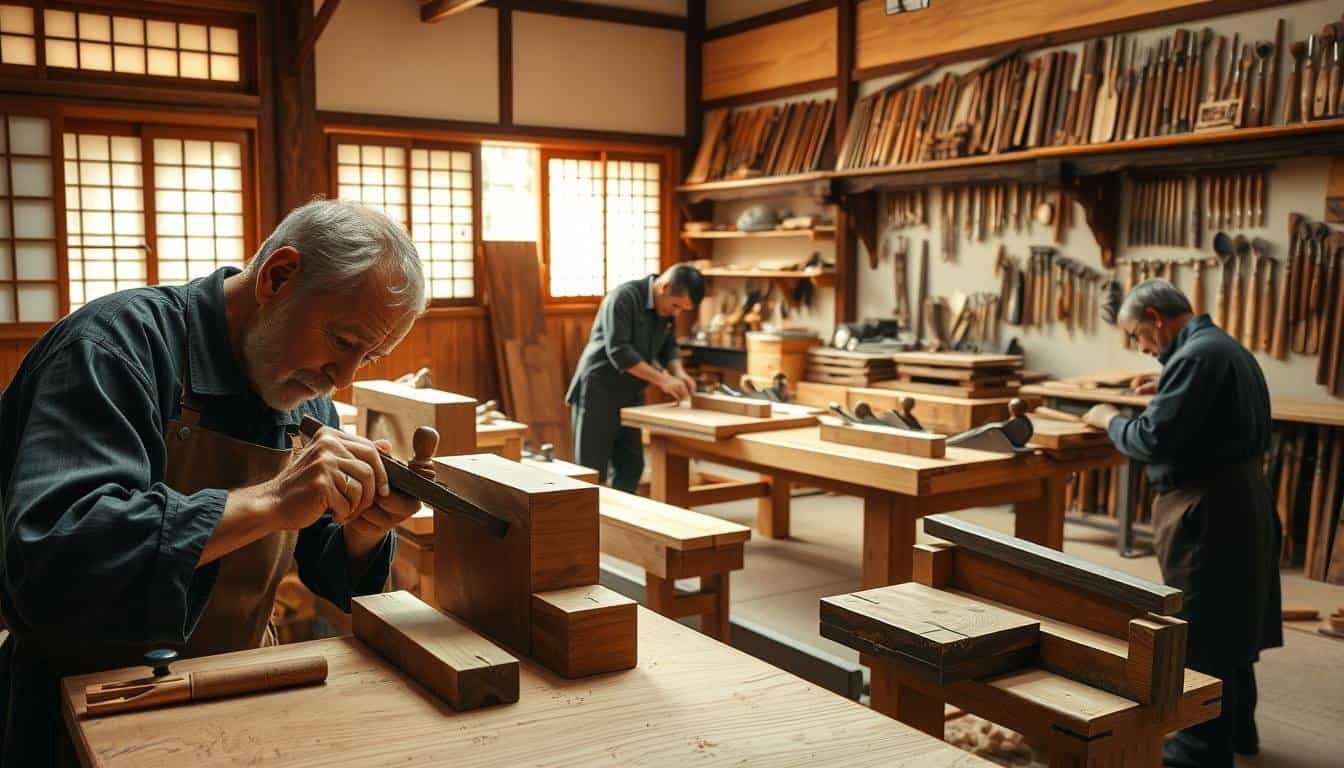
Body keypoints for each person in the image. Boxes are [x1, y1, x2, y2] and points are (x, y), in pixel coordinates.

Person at [0, 199, 427, 764]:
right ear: (278, 277)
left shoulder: (308, 398)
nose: (343, 379)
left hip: (237, 699)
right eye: (345, 342)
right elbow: (58, 554)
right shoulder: (115, 347)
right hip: (80, 709)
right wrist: (273, 499)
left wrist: (363, 530)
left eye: (367, 358)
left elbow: (325, 560)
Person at [1083, 279, 1282, 767]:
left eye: (1137, 335)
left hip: (1211, 509)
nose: (1141, 348)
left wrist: (1108, 419)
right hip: (1243, 500)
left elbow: (1151, 438)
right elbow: (1208, 410)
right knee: (1232, 623)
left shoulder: (1199, 357)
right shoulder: (1217, 349)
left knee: (1201, 632)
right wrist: (1170, 383)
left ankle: (1198, 753)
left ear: (1155, 317)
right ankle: (1238, 732)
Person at [566, 264, 704, 491]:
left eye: (683, 310)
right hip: (598, 389)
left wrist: (678, 372)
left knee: (631, 467)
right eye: (676, 306)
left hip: (631, 392)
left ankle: (619, 523)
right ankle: (589, 525)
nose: (677, 313)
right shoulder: (623, 298)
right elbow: (619, 351)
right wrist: (663, 379)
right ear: (664, 287)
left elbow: (669, 346)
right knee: (591, 470)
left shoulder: (666, 309)